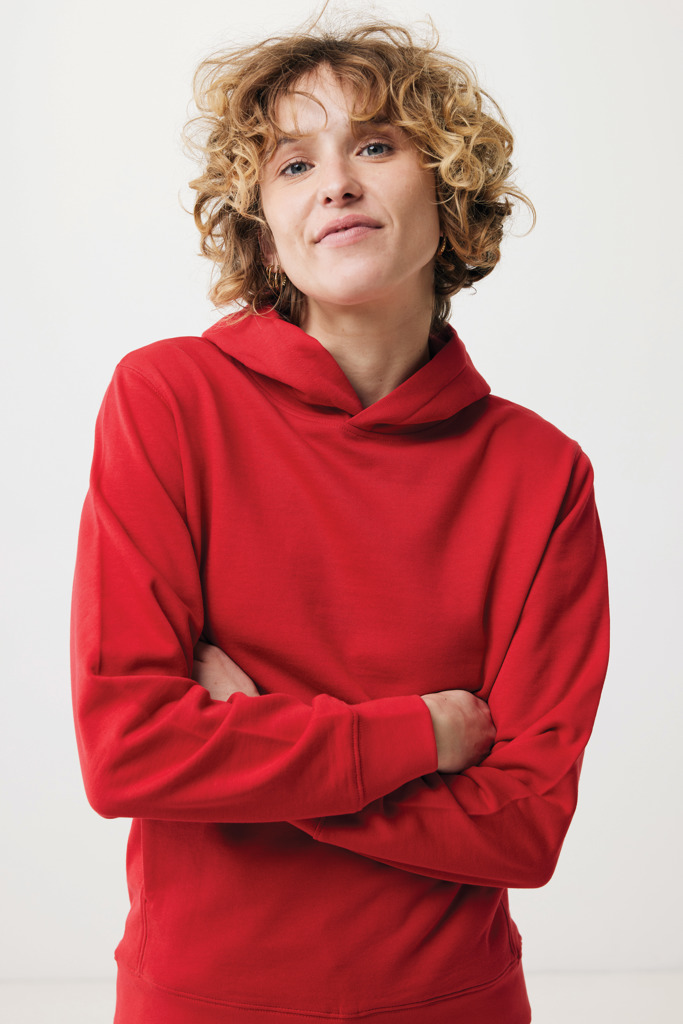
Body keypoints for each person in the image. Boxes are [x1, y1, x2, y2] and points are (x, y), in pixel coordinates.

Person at [70, 18, 609, 1024]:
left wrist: (252, 746)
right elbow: (128, 749)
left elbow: (524, 828)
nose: (335, 184)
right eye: (292, 163)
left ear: (448, 189)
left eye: (375, 145)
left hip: (453, 1004)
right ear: (261, 226)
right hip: (201, 1003)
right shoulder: (167, 401)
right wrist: (423, 732)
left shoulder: (542, 474)